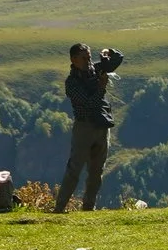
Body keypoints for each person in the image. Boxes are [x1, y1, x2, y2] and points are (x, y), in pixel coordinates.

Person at [52, 43, 121, 212]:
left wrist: (107, 52)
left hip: (101, 126)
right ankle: (60, 207)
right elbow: (89, 103)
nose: (88, 61)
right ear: (73, 59)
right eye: (84, 58)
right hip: (84, 127)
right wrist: (101, 87)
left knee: (97, 170)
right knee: (75, 169)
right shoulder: (72, 83)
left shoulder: (95, 70)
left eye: (89, 57)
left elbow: (118, 59)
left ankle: (89, 207)